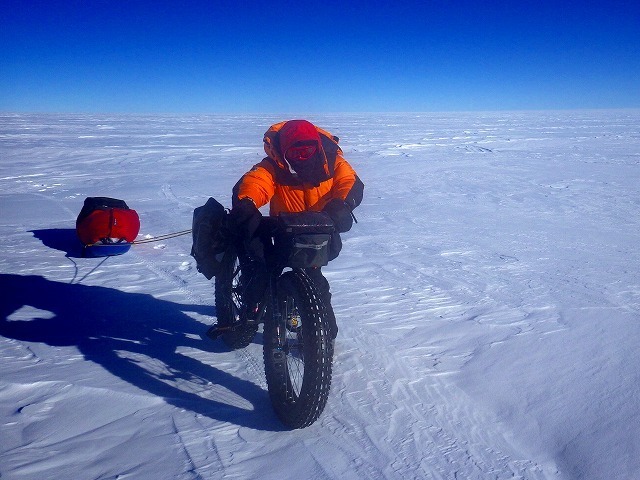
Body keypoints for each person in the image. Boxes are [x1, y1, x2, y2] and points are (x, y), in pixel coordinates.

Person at [230, 119, 364, 338]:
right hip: (282, 228)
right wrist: (247, 202)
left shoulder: (333, 162)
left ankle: (320, 334)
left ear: (317, 146)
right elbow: (256, 181)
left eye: (307, 149)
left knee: (315, 279)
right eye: (296, 151)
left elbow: (349, 181)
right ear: (284, 150)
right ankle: (250, 308)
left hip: (318, 229)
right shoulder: (274, 165)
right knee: (264, 268)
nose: (302, 156)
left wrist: (342, 204)